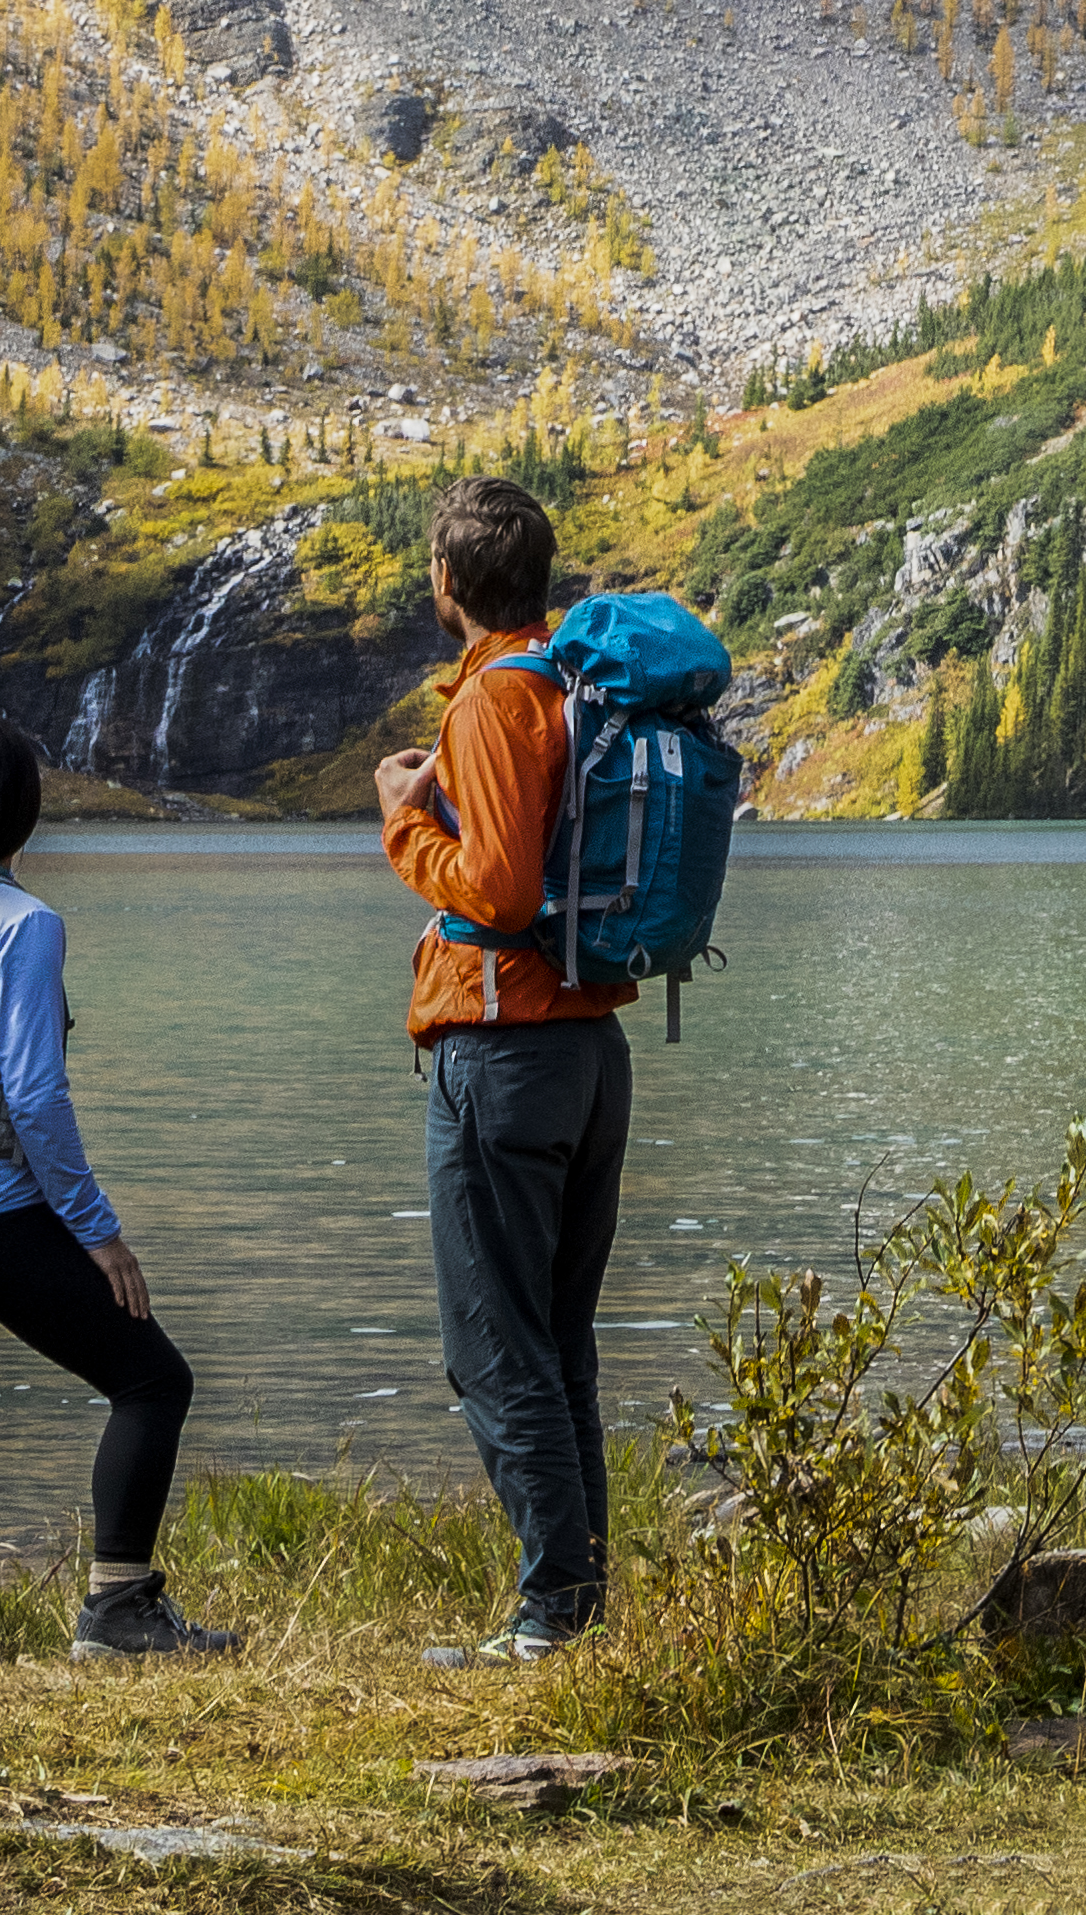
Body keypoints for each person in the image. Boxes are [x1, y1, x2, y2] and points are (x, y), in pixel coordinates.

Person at [0, 712, 239, 1666]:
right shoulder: (23, 923)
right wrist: (98, 1233)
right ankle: (117, 1611)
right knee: (152, 1380)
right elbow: (34, 1095)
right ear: (21, 812)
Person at [374, 473, 629, 1661]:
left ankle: (550, 1616)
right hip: (588, 1046)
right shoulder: (569, 685)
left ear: (446, 584)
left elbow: (502, 891)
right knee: (555, 1339)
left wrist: (403, 825)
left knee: (493, 1346)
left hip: (505, 1046)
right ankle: (577, 1606)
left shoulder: (489, 703)